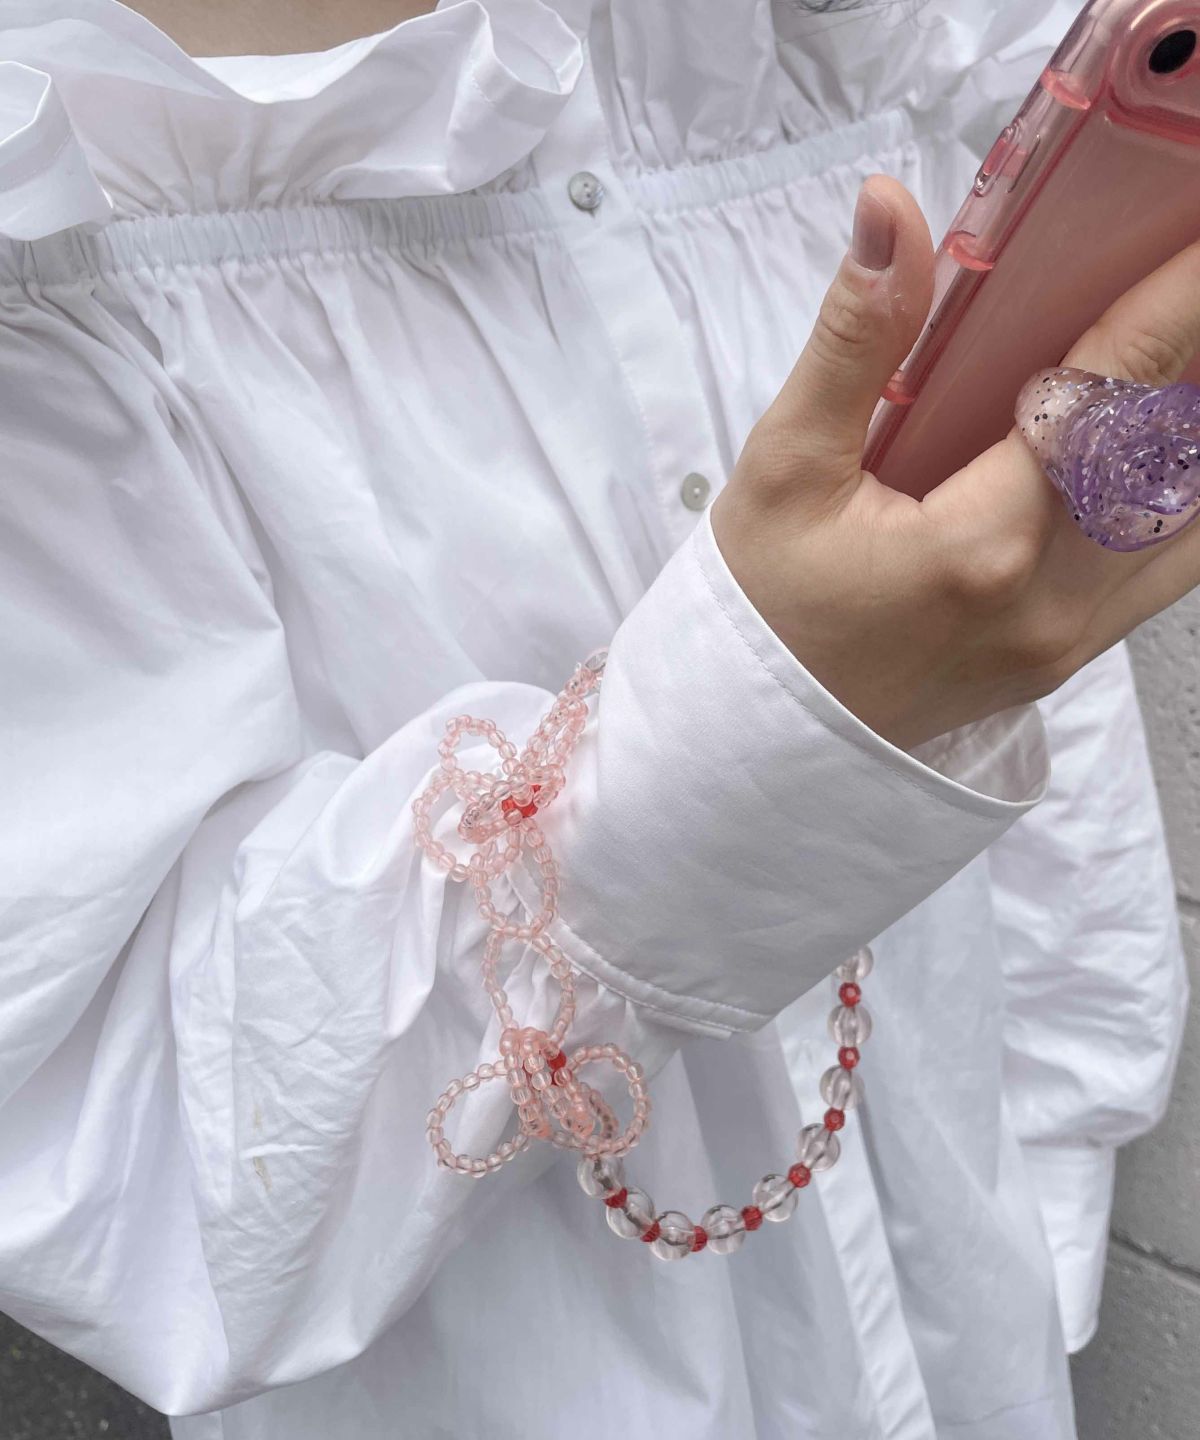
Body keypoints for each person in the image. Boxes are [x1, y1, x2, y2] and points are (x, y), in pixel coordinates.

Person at [0, 1, 1192, 1436]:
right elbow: (138, 1142)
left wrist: (1051, 1172)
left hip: (971, 1324)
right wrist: (757, 726)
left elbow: (1046, 715)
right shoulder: (58, 204)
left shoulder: (832, 50)